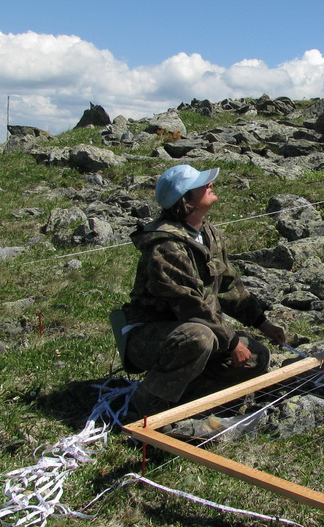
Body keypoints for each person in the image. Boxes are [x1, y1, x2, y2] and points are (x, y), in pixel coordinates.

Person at [122, 164, 287, 416]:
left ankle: (183, 396)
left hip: (197, 329)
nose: (210, 185)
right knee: (199, 338)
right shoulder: (165, 246)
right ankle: (146, 402)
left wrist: (262, 323)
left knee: (256, 357)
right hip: (151, 337)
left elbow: (229, 287)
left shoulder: (208, 233)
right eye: (200, 185)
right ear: (185, 200)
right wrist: (231, 342)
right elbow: (190, 305)